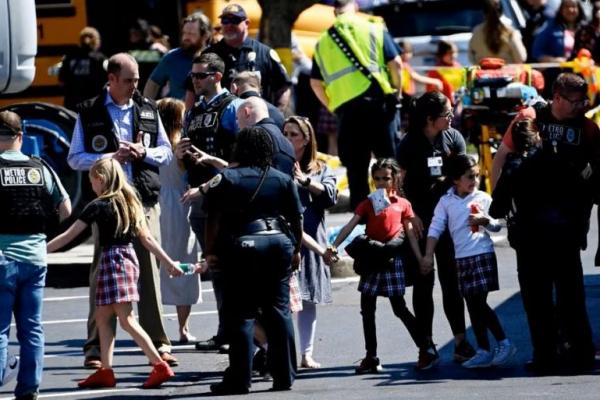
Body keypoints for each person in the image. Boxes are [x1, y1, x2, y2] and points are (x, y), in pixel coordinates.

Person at [67, 53, 177, 369]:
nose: (134, 85)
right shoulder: (88, 112)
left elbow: (166, 154)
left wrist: (145, 151)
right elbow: (75, 158)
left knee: (150, 275)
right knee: (101, 274)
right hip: (108, 204)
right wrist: (111, 158)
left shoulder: (147, 108)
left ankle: (160, 343)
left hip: (142, 199)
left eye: (137, 79)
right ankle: (95, 349)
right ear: (111, 79)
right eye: (128, 80)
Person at [491, 73, 600, 373]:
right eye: (576, 102)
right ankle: (549, 354)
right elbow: (501, 159)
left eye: (584, 102)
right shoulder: (529, 118)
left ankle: (577, 353)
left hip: (565, 227)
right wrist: (504, 210)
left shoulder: (587, 129)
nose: (582, 107)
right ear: (558, 98)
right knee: (540, 300)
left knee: (569, 297)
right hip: (535, 229)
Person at [48, 158, 183, 388]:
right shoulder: (130, 200)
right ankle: (106, 370)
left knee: (127, 319)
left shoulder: (98, 205)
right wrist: (168, 262)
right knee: (102, 317)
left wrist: (41, 251)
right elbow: (147, 238)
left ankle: (159, 365)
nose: (92, 187)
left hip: (111, 261)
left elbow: (69, 235)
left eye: (92, 182)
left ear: (100, 179)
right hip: (127, 259)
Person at [201, 127, 303, 395]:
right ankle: (285, 376)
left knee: (241, 314)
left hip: (242, 245)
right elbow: (296, 219)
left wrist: (210, 251)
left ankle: (239, 379)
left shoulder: (226, 178)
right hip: (279, 244)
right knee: (279, 312)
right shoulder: (282, 179)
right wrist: (296, 249)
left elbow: (213, 218)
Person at [323, 158, 438, 373]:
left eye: (386, 178)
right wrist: (334, 245)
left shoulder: (402, 204)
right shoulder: (368, 203)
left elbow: (410, 233)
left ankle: (426, 348)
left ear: (396, 178)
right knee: (367, 309)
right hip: (372, 260)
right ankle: (371, 356)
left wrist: (422, 258)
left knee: (399, 308)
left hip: (392, 261)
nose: (382, 183)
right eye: (377, 179)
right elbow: (351, 224)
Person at [396, 91, 475, 363]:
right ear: (430, 120)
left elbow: (464, 177)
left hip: (449, 223)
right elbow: (398, 185)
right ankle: (426, 345)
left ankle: (461, 341)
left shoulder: (453, 138)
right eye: (446, 115)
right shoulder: (408, 145)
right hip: (421, 221)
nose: (452, 118)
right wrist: (409, 214)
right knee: (423, 282)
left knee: (452, 283)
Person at [0, 111, 71, 400]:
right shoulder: (40, 167)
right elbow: (65, 208)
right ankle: (29, 388)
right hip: (35, 257)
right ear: (21, 136)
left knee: (0, 329)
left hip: (2, 258)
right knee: (32, 328)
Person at [175, 52, 243, 353]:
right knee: (215, 267)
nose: (194, 80)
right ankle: (225, 330)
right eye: (192, 75)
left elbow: (243, 156)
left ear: (216, 76)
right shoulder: (194, 111)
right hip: (199, 197)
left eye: (200, 75)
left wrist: (214, 163)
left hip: (224, 197)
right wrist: (180, 153)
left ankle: (238, 332)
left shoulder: (233, 107)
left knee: (230, 268)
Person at [422, 155, 516, 368]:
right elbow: (436, 228)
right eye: (469, 177)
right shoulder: (446, 201)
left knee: (478, 303)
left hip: (482, 254)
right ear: (455, 179)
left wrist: (485, 220)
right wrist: (428, 254)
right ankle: (483, 349)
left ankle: (504, 342)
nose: (474, 180)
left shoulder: (482, 198)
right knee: (472, 305)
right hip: (461, 259)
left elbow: (497, 225)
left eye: (475, 176)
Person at [310, 0, 402, 209]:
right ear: (356, 7)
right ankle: (395, 214)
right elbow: (396, 63)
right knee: (388, 164)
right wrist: (397, 92)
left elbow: (315, 83)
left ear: (335, 11)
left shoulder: (322, 41)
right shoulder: (373, 27)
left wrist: (334, 106)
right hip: (380, 106)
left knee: (356, 170)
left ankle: (365, 223)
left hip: (347, 112)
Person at [282, 116, 338, 369]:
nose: (288, 138)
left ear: (306, 139)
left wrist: (305, 181)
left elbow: (330, 196)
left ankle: (306, 354)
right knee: (282, 299)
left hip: (312, 236)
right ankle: (280, 352)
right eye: (285, 133)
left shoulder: (320, 167)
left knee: (307, 299)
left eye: (293, 134)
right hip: (283, 237)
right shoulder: (279, 163)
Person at [156, 98, 202, 344]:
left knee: (156, 268)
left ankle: (155, 328)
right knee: (183, 262)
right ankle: (183, 329)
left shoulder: (152, 145)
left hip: (157, 203)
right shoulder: (181, 146)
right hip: (180, 204)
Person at [203, 3, 291, 109]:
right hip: (219, 121)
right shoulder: (209, 55)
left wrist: (278, 114)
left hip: (256, 120)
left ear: (247, 23)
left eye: (235, 20)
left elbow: (283, 87)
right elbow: (193, 88)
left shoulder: (264, 53)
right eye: (225, 20)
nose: (229, 25)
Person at [143, 13, 212, 100]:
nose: (186, 37)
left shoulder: (215, 58)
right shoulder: (172, 57)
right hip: (179, 112)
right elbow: (153, 83)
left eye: (191, 34)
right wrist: (147, 108)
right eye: (184, 33)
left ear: (205, 36)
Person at [236, 97, 295, 175]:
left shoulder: (251, 135)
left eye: (237, 118)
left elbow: (241, 174)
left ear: (246, 112)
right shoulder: (288, 143)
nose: (237, 123)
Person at [58, 27, 107, 111]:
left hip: (72, 103)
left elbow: (61, 80)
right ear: (96, 40)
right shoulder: (100, 59)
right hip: (92, 104)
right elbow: (106, 82)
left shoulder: (69, 57)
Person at [468, 0, 527, 65]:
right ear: (501, 11)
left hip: (484, 73)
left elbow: (471, 57)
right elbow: (521, 57)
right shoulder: (510, 32)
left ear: (484, 12)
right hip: (507, 73)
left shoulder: (476, 32)